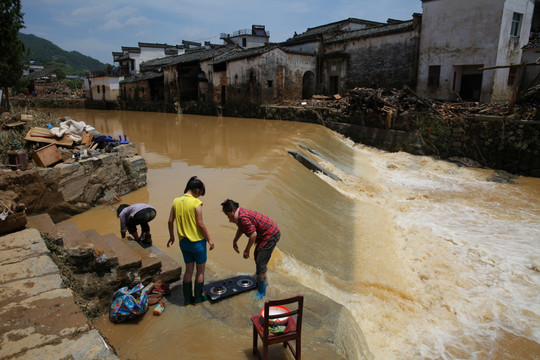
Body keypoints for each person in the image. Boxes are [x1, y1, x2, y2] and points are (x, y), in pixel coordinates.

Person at [167, 176, 215, 306]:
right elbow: (200, 224)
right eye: (200, 193)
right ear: (197, 190)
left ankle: (187, 300)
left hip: (183, 243)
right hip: (197, 243)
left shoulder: (176, 201)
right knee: (200, 271)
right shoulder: (196, 203)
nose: (199, 196)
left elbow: (170, 221)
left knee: (188, 271)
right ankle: (197, 299)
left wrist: (172, 236)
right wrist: (210, 239)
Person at [221, 199, 280, 299]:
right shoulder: (239, 216)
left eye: (228, 216)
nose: (229, 220)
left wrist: (247, 250)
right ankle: (259, 277)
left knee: (261, 262)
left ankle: (261, 292)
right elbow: (241, 228)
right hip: (264, 235)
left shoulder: (242, 217)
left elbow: (253, 235)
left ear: (233, 211)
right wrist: (235, 241)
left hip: (271, 235)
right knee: (257, 256)